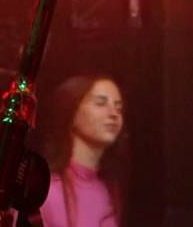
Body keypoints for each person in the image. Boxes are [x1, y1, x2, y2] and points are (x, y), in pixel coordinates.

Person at [37, 75, 128, 227]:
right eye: (100, 103)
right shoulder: (45, 190)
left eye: (119, 108)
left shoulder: (110, 190)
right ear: (71, 112)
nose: (114, 114)